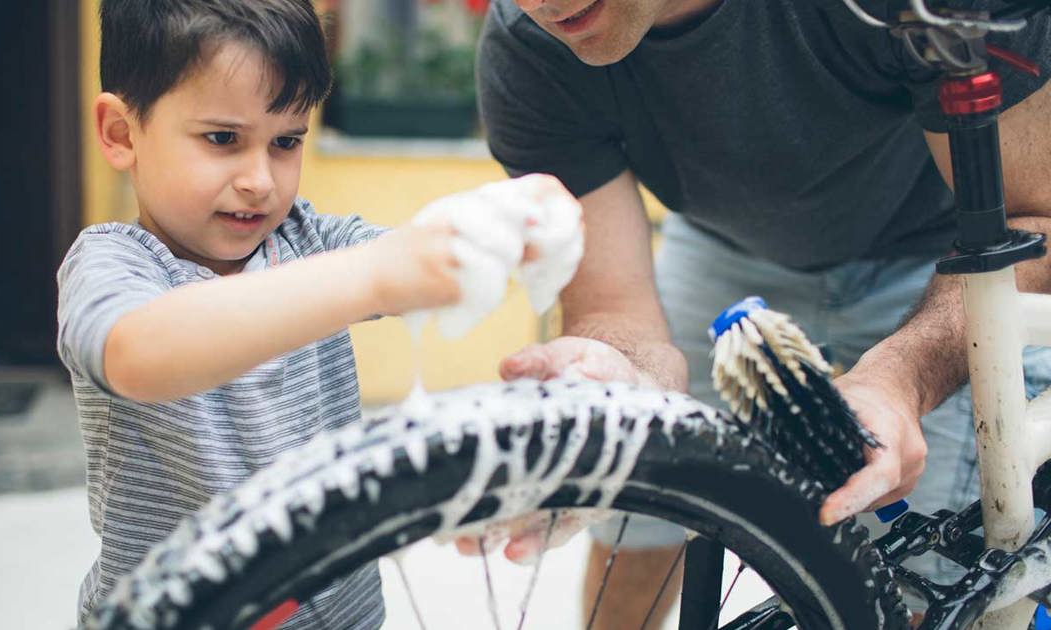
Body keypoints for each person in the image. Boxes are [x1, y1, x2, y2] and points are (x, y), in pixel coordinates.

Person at [475, 0, 1051, 626]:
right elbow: (615, 307)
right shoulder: (527, 46)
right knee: (635, 517)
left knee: (917, 584)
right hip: (725, 247)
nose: (540, 3)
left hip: (943, 257)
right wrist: (617, 371)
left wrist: (899, 379)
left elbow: (1038, 218)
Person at [59, 0, 582, 626]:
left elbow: (417, 255)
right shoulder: (113, 264)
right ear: (121, 133)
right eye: (222, 139)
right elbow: (140, 355)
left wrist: (509, 225)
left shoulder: (311, 241)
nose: (260, 179)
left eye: (287, 141)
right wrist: (372, 277)